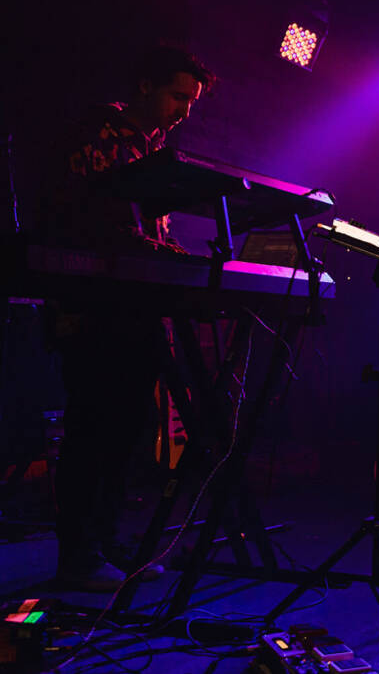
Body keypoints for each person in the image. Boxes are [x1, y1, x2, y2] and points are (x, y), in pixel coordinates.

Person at [36, 44, 214, 591]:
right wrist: (169, 258)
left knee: (128, 430)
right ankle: (79, 557)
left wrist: (171, 258)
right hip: (95, 308)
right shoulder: (100, 135)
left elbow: (146, 231)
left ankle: (105, 542)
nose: (184, 111)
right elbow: (91, 225)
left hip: (135, 307)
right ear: (144, 86)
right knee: (94, 429)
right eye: (177, 96)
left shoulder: (149, 148)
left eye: (192, 101)